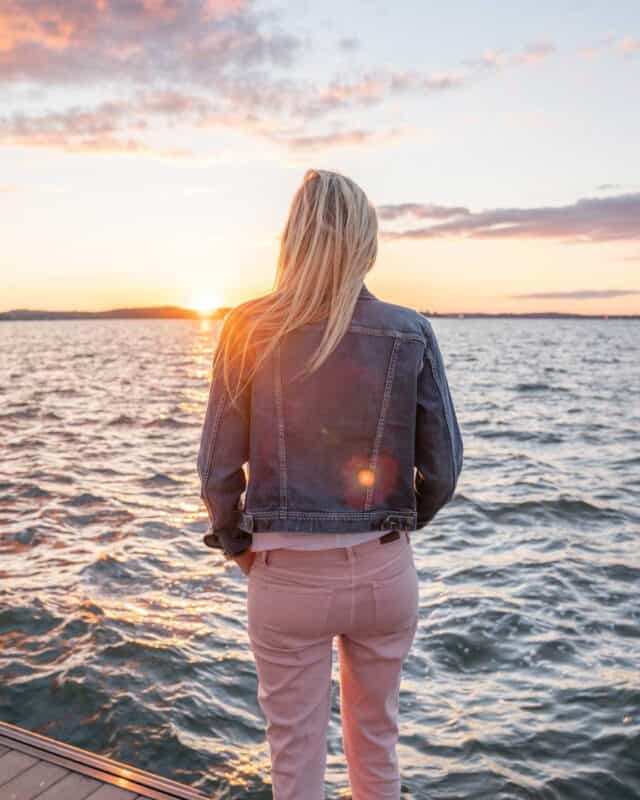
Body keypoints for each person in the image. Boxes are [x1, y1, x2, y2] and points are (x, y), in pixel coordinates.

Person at [196, 168, 463, 799]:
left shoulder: (246, 327)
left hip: (285, 574)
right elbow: (444, 468)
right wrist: (396, 527)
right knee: (377, 746)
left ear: (292, 240)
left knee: (294, 761)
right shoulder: (410, 331)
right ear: (365, 243)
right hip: (384, 575)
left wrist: (237, 544)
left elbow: (216, 469)